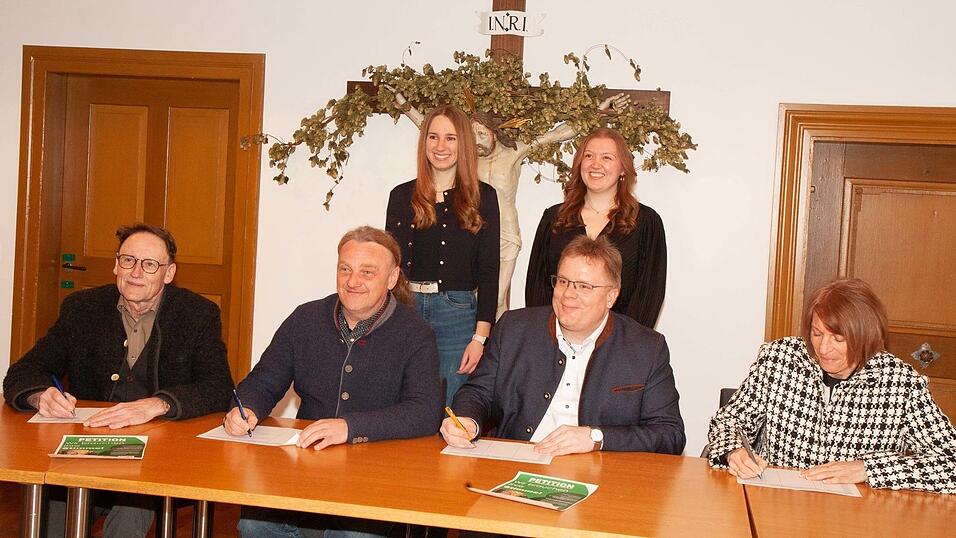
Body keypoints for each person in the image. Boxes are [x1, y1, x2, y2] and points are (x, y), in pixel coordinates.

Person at [3, 222, 234, 537]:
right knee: (52, 520)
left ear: (169, 273)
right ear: (115, 265)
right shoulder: (83, 309)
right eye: (128, 260)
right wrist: (39, 395)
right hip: (87, 447)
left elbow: (218, 387)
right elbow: (23, 371)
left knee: (129, 516)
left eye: (149, 264)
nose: (136, 272)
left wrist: (157, 404)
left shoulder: (197, 314)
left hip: (158, 453)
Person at [229, 226, 442, 537]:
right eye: (345, 269)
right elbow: (264, 380)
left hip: (376, 471)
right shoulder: (305, 319)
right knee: (255, 524)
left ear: (392, 278)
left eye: (368, 272)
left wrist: (350, 428)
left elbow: (424, 411)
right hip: (305, 463)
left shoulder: (416, 334)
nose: (353, 282)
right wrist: (246, 408)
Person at [393, 88, 628, 319]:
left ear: (495, 133)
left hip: (505, 234)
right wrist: (405, 106)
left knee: (496, 301)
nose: (478, 140)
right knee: (467, 299)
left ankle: (495, 346)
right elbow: (432, 129)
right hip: (473, 230)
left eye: (483, 134)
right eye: (472, 135)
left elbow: (556, 134)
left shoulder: (513, 153)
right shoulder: (465, 158)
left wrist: (595, 113)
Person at [441, 235, 685, 456]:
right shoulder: (514, 328)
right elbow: (478, 393)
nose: (568, 294)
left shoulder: (646, 348)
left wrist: (595, 437)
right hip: (517, 464)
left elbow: (669, 434)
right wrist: (467, 421)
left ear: (611, 296)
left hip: (601, 477)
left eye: (584, 286)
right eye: (563, 282)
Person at [708, 278, 956, 493]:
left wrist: (870, 469)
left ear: (865, 336)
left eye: (838, 338)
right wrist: (734, 451)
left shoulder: (901, 385)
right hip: (778, 506)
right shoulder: (780, 359)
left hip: (860, 519)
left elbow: (952, 463)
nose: (824, 348)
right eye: (817, 333)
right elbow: (728, 422)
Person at [386, 104, 500, 405]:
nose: (440, 146)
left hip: (457, 314)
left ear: (463, 144)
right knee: (404, 402)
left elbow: (489, 272)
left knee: (452, 407)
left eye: (450, 138)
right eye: (433, 137)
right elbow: (389, 267)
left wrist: (480, 338)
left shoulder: (483, 197)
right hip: (405, 309)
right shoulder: (400, 196)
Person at [525, 127, 667, 329]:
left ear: (623, 168)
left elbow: (649, 294)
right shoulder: (554, 218)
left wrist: (626, 343)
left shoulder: (646, 223)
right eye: (589, 156)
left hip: (619, 343)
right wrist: (546, 337)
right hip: (557, 341)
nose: (596, 164)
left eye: (607, 158)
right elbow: (536, 287)